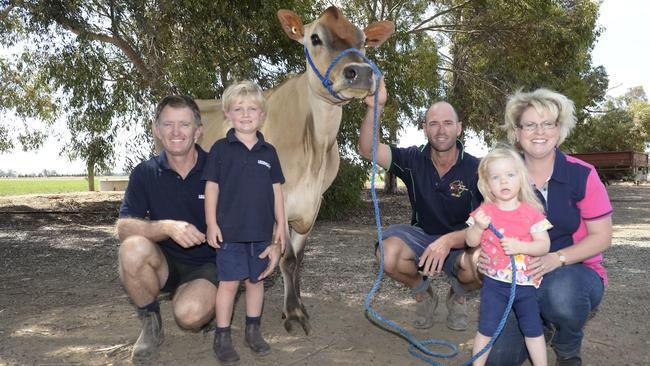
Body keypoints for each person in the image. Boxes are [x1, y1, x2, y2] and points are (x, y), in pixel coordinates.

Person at [483, 88, 613, 366]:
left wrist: (557, 258)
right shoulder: (502, 177)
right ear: (516, 132)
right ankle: (539, 324)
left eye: (547, 123)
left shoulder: (582, 174)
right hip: (517, 280)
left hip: (573, 273)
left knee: (562, 296)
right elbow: (483, 228)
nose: (538, 131)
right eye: (529, 124)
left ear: (559, 129)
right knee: (496, 360)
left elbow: (602, 238)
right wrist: (475, 255)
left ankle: (566, 349)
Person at [358, 77, 482, 331]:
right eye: (433, 124)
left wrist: (448, 241)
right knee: (387, 255)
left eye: (448, 123)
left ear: (459, 128)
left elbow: (488, 223)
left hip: (463, 241)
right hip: (422, 236)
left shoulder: (478, 168)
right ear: (425, 129)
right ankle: (424, 294)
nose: (441, 130)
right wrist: (376, 107)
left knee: (483, 264)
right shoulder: (412, 158)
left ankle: (458, 296)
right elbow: (368, 150)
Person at [117, 95, 217, 364]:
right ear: (156, 130)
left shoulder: (218, 169)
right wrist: (168, 227)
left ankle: (212, 302)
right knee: (131, 248)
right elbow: (123, 227)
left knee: (190, 315)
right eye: (168, 124)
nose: (175, 132)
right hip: (165, 264)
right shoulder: (145, 173)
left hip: (208, 265)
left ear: (198, 131)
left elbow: (250, 214)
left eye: (184, 125)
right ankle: (151, 323)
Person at [203, 80, 286, 365]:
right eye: (238, 108)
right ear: (227, 113)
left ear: (262, 115)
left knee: (256, 282)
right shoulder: (220, 149)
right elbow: (211, 188)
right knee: (228, 284)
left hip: (261, 233)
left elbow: (277, 192)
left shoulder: (269, 153)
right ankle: (222, 335)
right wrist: (211, 224)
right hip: (229, 233)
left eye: (252, 109)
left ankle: (253, 331)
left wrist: (281, 227)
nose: (246, 114)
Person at [466, 147, 552, 366]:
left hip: (525, 284)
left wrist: (520, 246)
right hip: (494, 285)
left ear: (521, 178)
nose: (504, 182)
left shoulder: (532, 212)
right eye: (496, 177)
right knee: (486, 328)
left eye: (510, 175)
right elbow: (470, 242)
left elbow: (544, 245)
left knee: (532, 328)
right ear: (487, 184)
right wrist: (477, 227)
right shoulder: (484, 212)